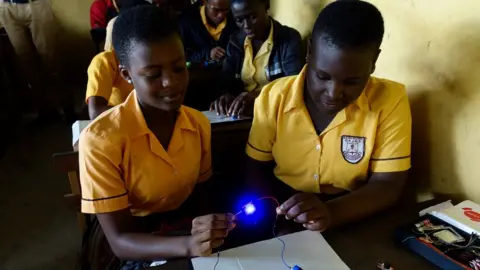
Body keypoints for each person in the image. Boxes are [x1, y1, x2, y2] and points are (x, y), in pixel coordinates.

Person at [79, 6, 234, 269]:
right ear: (127, 75)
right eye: (153, 75)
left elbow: (201, 197)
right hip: (134, 240)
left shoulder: (197, 124)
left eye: (178, 68)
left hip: (185, 227)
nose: (171, 83)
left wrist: (214, 226)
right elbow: (120, 241)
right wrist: (188, 244)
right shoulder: (100, 141)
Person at [244, 0, 411, 233]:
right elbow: (256, 168)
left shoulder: (390, 100)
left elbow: (388, 185)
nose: (333, 93)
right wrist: (272, 216)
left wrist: (332, 212)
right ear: (310, 51)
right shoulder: (274, 97)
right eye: (322, 76)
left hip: (354, 209)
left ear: (373, 62)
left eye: (352, 82)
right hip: (284, 207)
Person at [210, 0, 304, 117]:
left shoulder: (288, 39)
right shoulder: (235, 42)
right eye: (239, 20)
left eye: (252, 17)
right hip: (243, 113)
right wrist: (225, 96)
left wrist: (258, 96)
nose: (246, 26)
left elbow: (293, 84)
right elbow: (225, 81)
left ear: (266, 6)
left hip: (278, 110)